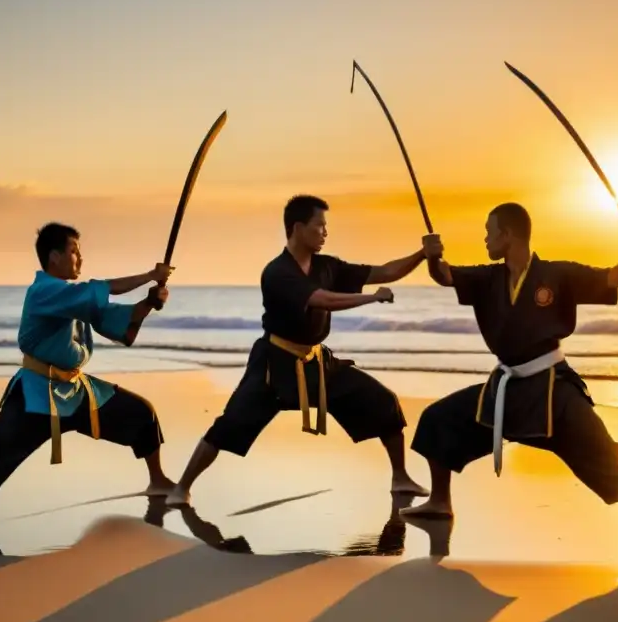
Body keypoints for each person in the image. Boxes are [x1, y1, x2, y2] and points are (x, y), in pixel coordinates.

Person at [400, 203, 618, 554]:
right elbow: (445, 275)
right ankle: (440, 502)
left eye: (489, 231)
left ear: (508, 235)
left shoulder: (559, 274)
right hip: (507, 388)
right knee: (440, 419)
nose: (485, 239)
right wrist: (433, 257)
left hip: (553, 390)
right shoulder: (488, 278)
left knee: (609, 457)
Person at [0, 222, 176, 535]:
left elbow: (118, 320)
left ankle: (158, 480)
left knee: (141, 413)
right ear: (54, 257)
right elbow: (101, 289)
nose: (80, 258)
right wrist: (150, 276)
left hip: (77, 391)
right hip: (37, 395)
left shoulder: (73, 298)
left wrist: (150, 302)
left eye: (80, 251)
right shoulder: (44, 291)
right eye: (74, 251)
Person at [167, 194, 429, 506]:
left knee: (382, 401)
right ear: (298, 227)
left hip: (316, 362)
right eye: (320, 226)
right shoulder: (277, 272)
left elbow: (385, 272)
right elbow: (323, 300)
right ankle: (181, 488)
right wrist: (372, 299)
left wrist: (423, 254)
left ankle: (400, 478)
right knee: (231, 424)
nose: (325, 233)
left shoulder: (328, 266)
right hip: (274, 364)